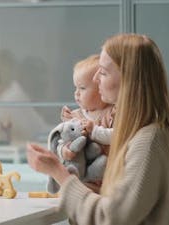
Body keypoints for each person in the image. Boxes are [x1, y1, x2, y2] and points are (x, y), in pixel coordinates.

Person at [27, 33, 169, 224]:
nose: (96, 79)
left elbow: (111, 218)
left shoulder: (148, 142)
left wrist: (59, 173)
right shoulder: (142, 131)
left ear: (128, 80)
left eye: (103, 72)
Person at [58, 54, 115, 191]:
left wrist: (93, 130)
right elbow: (62, 141)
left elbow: (118, 136)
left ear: (100, 88)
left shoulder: (111, 113)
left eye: (82, 88)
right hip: (81, 178)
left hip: (106, 182)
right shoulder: (75, 115)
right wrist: (64, 151)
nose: (76, 94)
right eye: (75, 88)